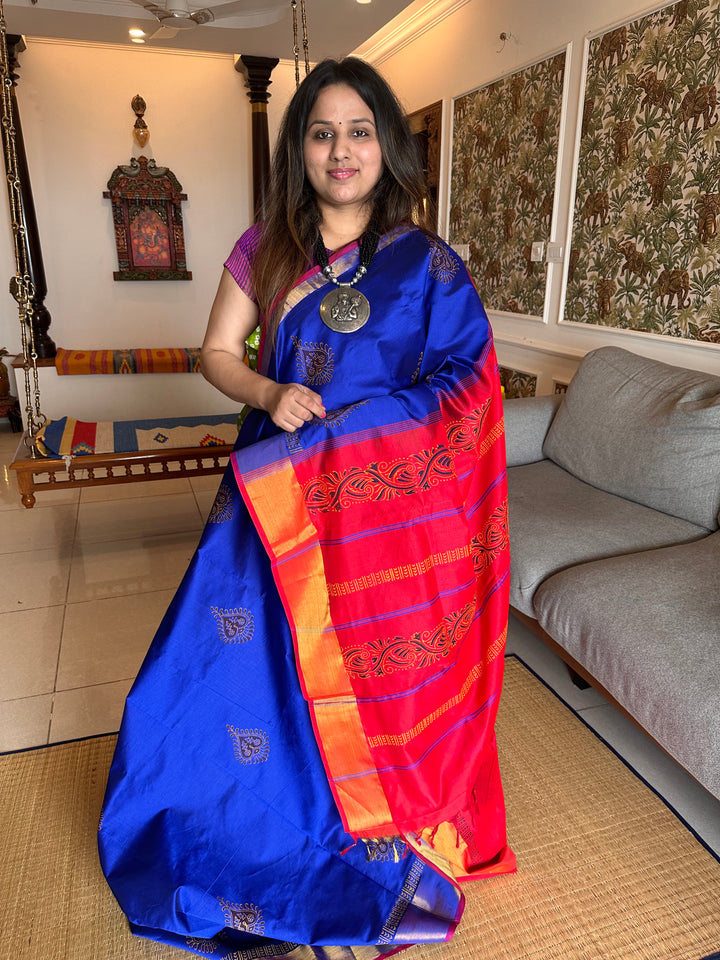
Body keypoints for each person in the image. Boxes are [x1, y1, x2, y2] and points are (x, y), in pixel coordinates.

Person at [99, 57, 515, 960]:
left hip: (388, 518)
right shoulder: (268, 247)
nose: (342, 149)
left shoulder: (430, 266)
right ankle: (265, 846)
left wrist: (368, 437)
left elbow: (469, 385)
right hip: (280, 496)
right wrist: (270, 388)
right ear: (302, 149)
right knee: (252, 675)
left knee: (374, 677)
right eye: (322, 132)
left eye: (360, 130)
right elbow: (213, 353)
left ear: (387, 145)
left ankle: (384, 841)